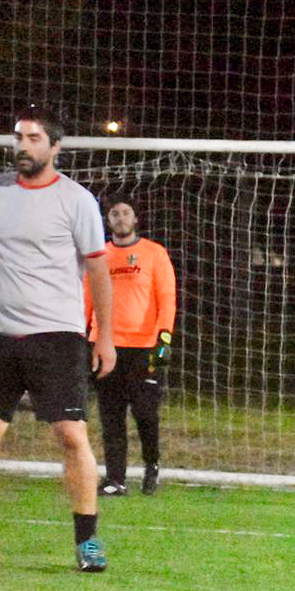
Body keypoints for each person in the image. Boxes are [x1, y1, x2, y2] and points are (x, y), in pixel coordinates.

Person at [0, 106, 115, 571]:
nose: (23, 146)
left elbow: (98, 269)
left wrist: (105, 337)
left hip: (57, 335)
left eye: (34, 138)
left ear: (55, 146)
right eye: (19, 137)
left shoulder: (76, 200)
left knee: (71, 435)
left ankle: (87, 541)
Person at [84, 200, 176, 496]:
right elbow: (87, 299)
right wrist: (81, 335)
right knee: (111, 416)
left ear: (135, 218)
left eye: (125, 213)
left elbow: (167, 298)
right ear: (108, 220)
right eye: (115, 214)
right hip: (105, 346)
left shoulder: (154, 253)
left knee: (145, 414)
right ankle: (116, 480)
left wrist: (164, 339)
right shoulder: (98, 256)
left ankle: (152, 465)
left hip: (143, 348)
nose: (120, 218)